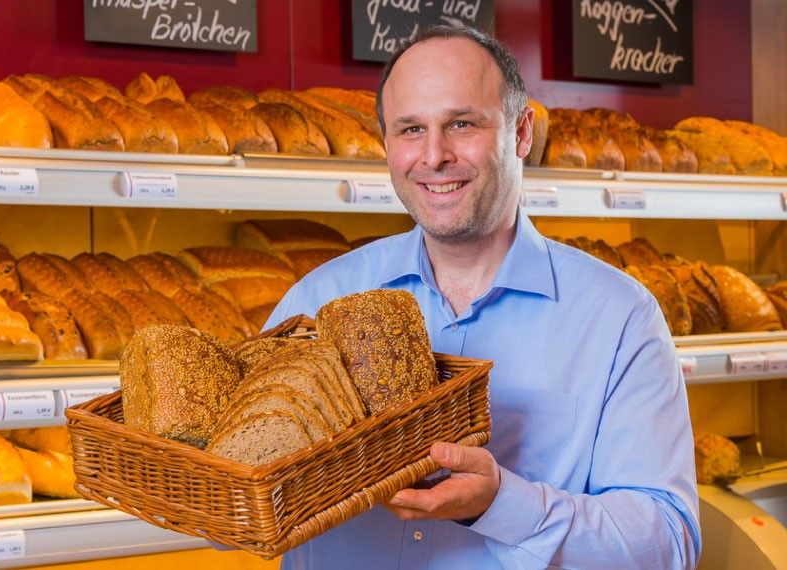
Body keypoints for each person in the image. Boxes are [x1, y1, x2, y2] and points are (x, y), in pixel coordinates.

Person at [264, 24, 701, 569]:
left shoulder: (618, 317)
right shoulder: (320, 297)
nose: (434, 155)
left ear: (521, 133)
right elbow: (237, 491)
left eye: (462, 124)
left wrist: (502, 504)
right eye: (410, 129)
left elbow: (669, 541)